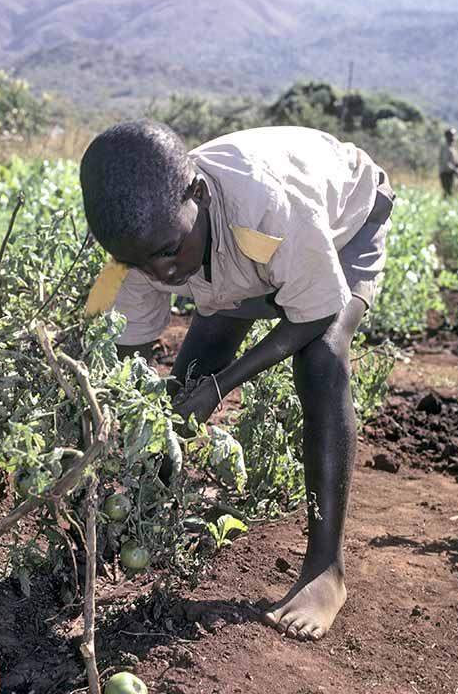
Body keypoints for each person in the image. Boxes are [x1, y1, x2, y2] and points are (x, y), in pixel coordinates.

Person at [80, 120, 395, 642]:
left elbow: (316, 311)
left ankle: (325, 570)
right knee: (187, 380)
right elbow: (126, 356)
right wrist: (109, 427)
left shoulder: (269, 207)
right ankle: (145, 512)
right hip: (245, 252)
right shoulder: (146, 241)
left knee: (321, 357)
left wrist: (222, 386)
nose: (161, 274)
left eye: (167, 251)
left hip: (344, 223)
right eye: (139, 263)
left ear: (199, 195)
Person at [439, 128, 458, 197]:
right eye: (452, 135)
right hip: (446, 174)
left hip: (451, 174)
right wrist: (455, 170)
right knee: (448, 193)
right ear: (447, 136)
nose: (454, 137)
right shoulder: (446, 148)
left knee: (452, 192)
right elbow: (446, 163)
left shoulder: (453, 148)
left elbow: (455, 162)